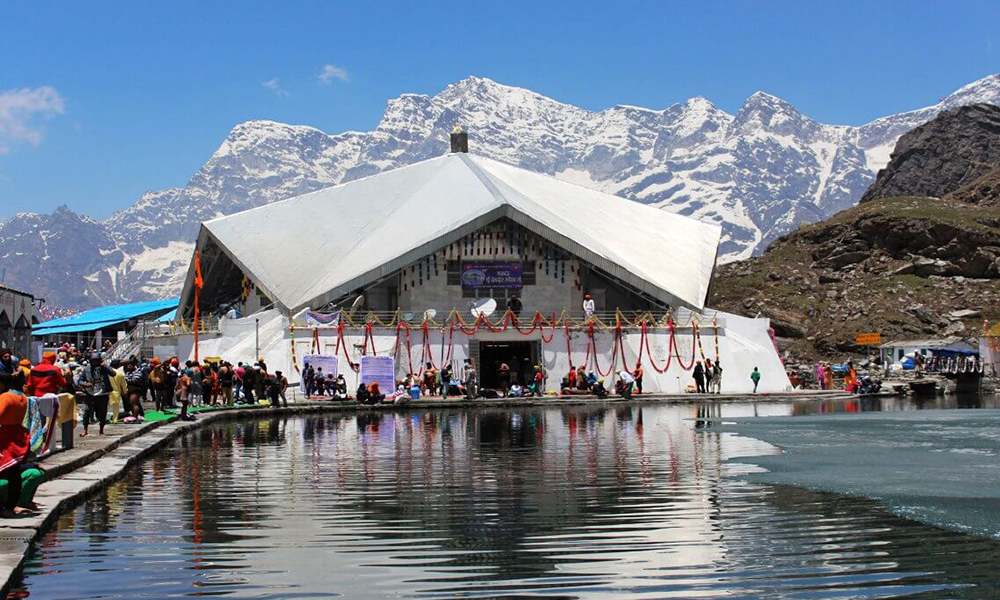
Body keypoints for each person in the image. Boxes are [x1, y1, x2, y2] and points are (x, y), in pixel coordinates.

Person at [0, 372, 31, 517]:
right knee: (14, 473)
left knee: (10, 472)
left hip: (5, 437)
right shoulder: (22, 397)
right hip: (17, 435)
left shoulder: (6, 397)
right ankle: (11, 504)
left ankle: (6, 506)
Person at [74, 352, 114, 436]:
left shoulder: (104, 368)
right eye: (93, 361)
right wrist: (84, 384)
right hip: (90, 393)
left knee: (102, 413)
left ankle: (101, 430)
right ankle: (85, 430)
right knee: (87, 411)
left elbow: (113, 373)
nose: (95, 363)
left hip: (103, 394)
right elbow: (80, 379)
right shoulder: (87, 369)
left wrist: (105, 365)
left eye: (97, 361)